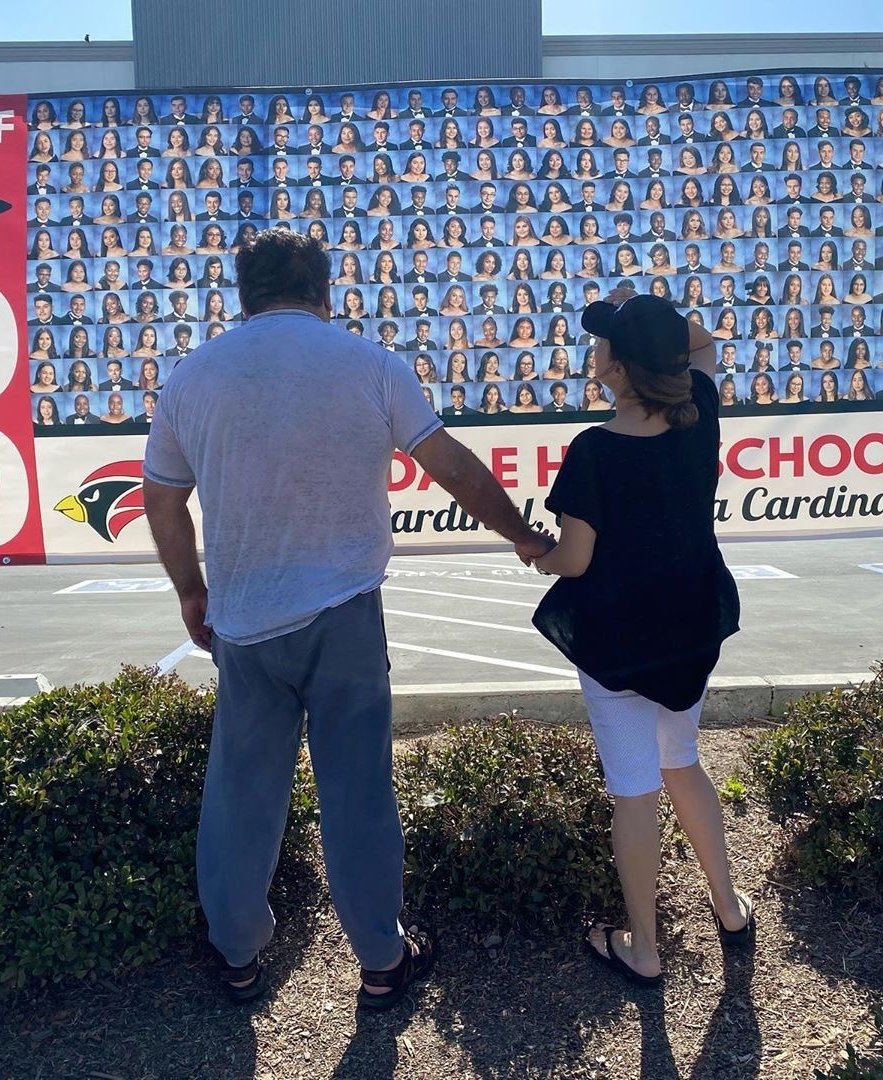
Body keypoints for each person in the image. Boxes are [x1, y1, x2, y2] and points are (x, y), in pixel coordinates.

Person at [142, 229, 550, 1008]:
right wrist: (524, 536)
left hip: (243, 620)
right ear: (325, 292)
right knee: (358, 793)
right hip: (346, 613)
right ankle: (380, 961)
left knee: (241, 795)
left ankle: (236, 954)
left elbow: (162, 498)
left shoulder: (193, 376)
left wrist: (191, 591)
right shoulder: (371, 364)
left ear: (245, 294)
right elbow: (451, 466)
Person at [529, 287, 745, 987]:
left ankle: (644, 949)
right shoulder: (699, 412)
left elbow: (574, 560)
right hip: (690, 629)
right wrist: (647, 312)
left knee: (634, 789)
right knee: (682, 759)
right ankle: (729, 909)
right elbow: (703, 344)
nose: (595, 352)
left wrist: (537, 553)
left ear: (616, 369)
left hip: (619, 641)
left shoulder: (594, 450)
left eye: (605, 343)